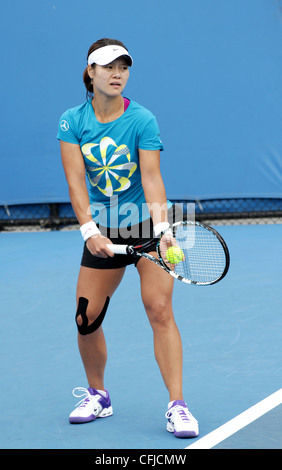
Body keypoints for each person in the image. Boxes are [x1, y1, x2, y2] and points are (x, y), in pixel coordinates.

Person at [57, 38, 199, 438]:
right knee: (86, 318)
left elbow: (152, 178)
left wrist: (164, 231)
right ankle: (98, 395)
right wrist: (89, 231)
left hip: (146, 229)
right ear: (91, 72)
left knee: (158, 309)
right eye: (108, 67)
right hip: (102, 229)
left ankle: (177, 405)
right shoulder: (72, 121)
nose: (117, 73)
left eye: (123, 67)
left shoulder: (142, 120)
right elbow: (76, 182)